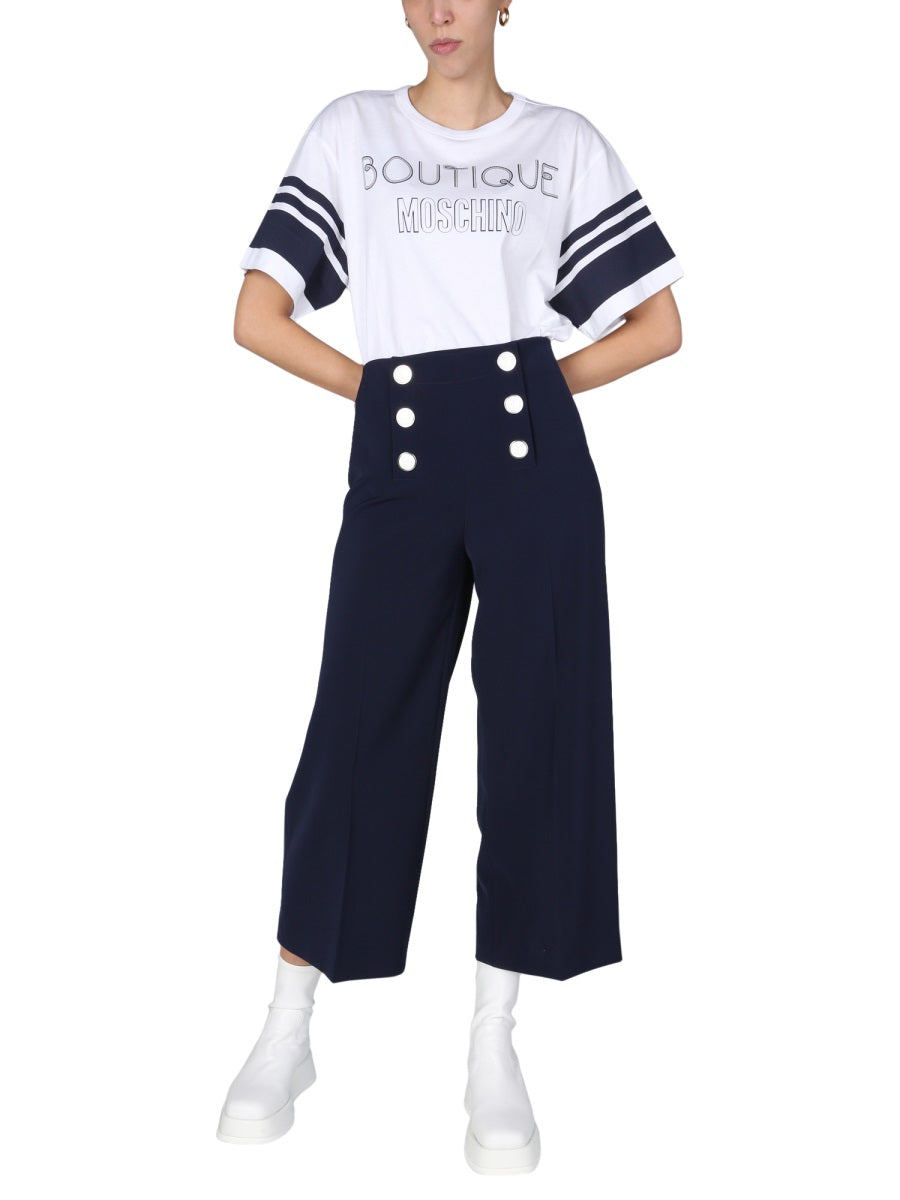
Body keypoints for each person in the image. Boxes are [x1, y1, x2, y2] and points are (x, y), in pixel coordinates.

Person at [216, 0, 683, 1175]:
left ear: (505, 1)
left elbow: (659, 324)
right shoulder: (353, 131)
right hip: (403, 454)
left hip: (535, 462)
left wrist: (530, 387)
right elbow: (257, 316)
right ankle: (288, 1023)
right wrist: (384, 396)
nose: (439, 12)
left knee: (538, 731)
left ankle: (494, 1039)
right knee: (356, 729)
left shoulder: (563, 143)